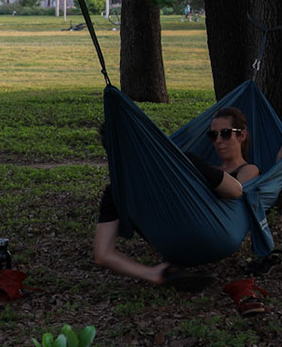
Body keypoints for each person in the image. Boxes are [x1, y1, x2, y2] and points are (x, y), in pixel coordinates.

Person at [91, 108, 258, 286]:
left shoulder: (115, 192)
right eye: (213, 135)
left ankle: (156, 275)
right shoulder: (182, 165)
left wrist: (151, 273)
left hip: (171, 249)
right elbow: (236, 191)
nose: (218, 141)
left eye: (225, 134)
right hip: (218, 237)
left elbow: (102, 255)